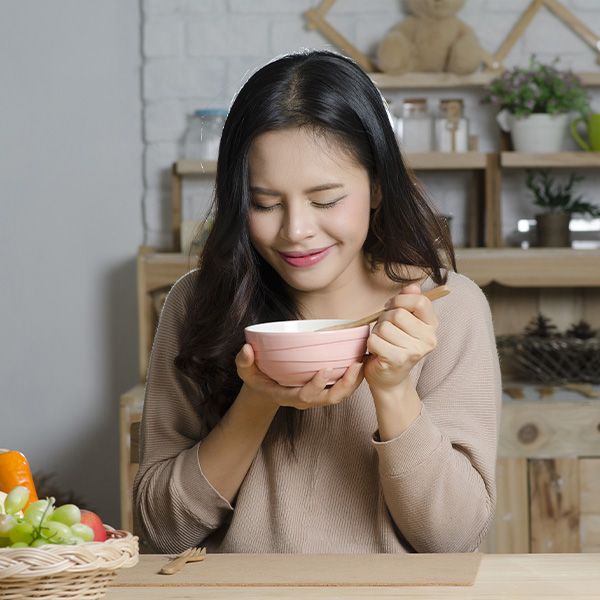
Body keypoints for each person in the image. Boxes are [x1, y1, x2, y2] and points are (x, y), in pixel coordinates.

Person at [133, 49, 501, 555]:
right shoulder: (197, 302)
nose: (297, 231)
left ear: (375, 186)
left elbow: (454, 538)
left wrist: (392, 390)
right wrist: (258, 397)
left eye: (326, 200)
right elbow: (159, 532)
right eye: (264, 203)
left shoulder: (449, 308)